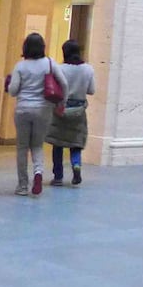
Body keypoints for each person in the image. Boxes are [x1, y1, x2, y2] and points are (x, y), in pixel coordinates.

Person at [6, 32, 59, 196]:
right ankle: (38, 173)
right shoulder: (49, 63)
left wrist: (8, 84)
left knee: (22, 147)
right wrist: (61, 103)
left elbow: (13, 91)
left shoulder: (20, 66)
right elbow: (63, 82)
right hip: (43, 109)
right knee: (37, 145)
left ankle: (22, 185)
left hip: (23, 109)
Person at [46, 39, 96, 187]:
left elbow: (54, 90)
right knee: (76, 143)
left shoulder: (60, 69)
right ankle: (76, 165)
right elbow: (91, 90)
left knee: (58, 143)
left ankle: (58, 176)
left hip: (61, 108)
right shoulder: (88, 69)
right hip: (79, 111)